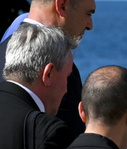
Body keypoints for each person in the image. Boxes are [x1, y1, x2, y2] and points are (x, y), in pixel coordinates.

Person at [0, 0, 96, 137]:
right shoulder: (60, 68)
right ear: (62, 6)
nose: (90, 25)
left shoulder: (4, 48)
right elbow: (69, 147)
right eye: (88, 14)